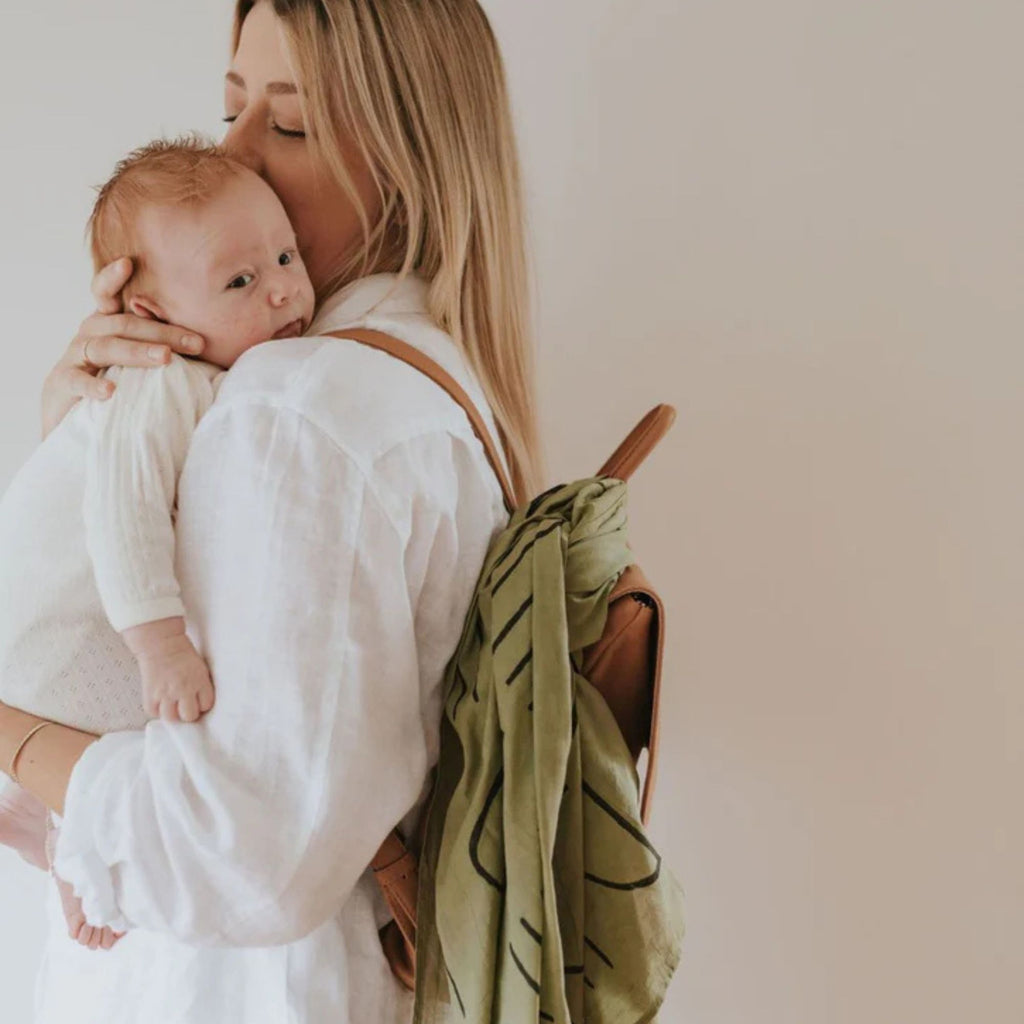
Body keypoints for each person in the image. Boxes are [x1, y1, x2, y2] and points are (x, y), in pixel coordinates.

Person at [0, 1, 544, 1022]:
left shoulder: (296, 410)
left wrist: (12, 735)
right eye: (233, 108)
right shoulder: (435, 380)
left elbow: (239, 855)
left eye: (290, 123)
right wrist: (90, 441)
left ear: (409, 162)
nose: (233, 153)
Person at [0, 134, 318, 950]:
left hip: (45, 625)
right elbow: (124, 511)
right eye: (240, 281)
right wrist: (161, 644)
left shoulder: (210, 373)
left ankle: (44, 828)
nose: (283, 288)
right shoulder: (161, 378)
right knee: (139, 734)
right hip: (51, 626)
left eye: (287, 255)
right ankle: (69, 846)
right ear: (151, 317)